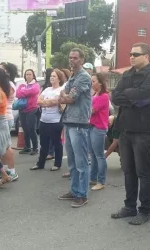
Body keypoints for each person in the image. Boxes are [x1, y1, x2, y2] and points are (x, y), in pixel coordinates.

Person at [111, 43, 150, 225]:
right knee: (128, 171)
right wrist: (131, 96)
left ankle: (145, 210)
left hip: (144, 130)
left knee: (144, 172)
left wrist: (130, 96)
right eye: (130, 53)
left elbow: (142, 98)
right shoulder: (127, 74)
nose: (131, 57)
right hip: (125, 128)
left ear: (147, 56)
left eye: (136, 54)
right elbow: (115, 96)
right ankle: (129, 206)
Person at [57, 48, 92, 208]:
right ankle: (74, 190)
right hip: (69, 121)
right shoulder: (72, 76)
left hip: (79, 123)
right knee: (71, 161)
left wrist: (65, 96)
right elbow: (62, 95)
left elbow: (70, 98)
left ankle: (82, 194)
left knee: (81, 162)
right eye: (70, 57)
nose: (72, 60)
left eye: (75, 58)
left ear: (82, 60)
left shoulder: (84, 76)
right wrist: (64, 96)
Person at [31, 69, 65, 171]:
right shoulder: (47, 90)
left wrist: (46, 102)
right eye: (51, 76)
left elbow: (55, 101)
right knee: (43, 143)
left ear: (59, 78)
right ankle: (40, 163)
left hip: (55, 121)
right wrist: (47, 102)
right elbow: (38, 101)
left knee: (56, 142)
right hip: (43, 120)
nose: (51, 78)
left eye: (54, 76)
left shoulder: (61, 90)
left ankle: (57, 164)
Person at [89, 73, 110, 191]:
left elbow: (92, 110)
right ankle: (93, 178)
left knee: (99, 155)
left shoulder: (104, 96)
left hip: (99, 127)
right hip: (91, 126)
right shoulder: (95, 94)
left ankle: (101, 181)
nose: (92, 83)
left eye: (93, 81)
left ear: (100, 83)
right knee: (93, 154)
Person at [16, 69, 40, 155]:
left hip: (32, 109)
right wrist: (25, 92)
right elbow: (17, 94)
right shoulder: (22, 84)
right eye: (27, 74)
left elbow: (33, 91)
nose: (28, 76)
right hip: (22, 109)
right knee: (25, 129)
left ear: (33, 75)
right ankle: (27, 147)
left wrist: (23, 91)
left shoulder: (36, 85)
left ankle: (35, 147)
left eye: (30, 74)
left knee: (31, 129)